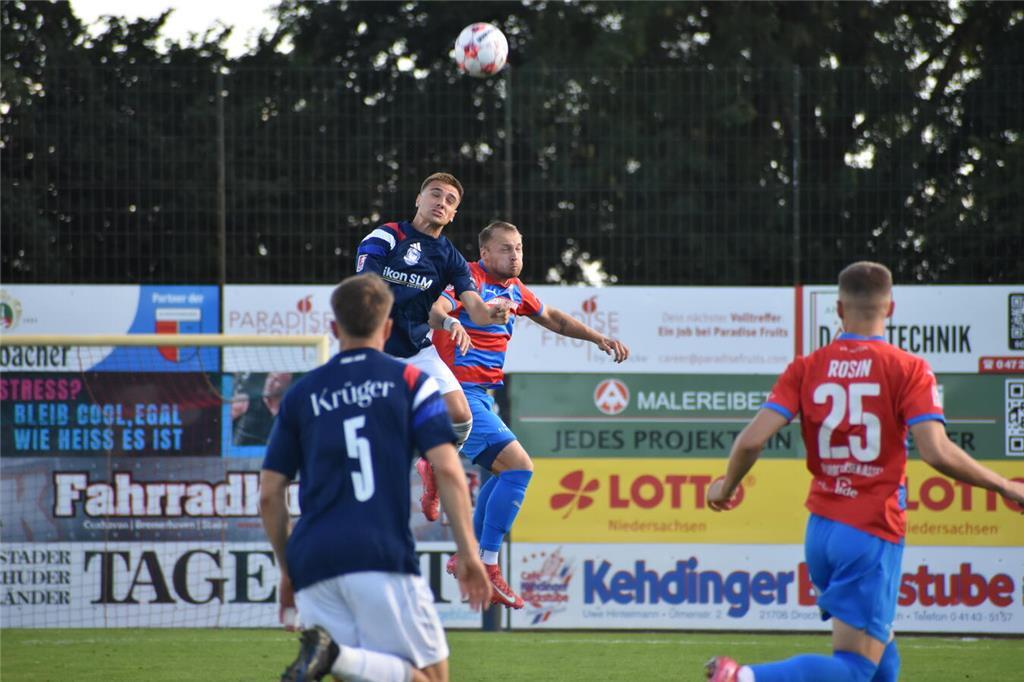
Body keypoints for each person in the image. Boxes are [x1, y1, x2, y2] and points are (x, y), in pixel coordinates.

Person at [704, 261, 1024, 682]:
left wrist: (727, 485)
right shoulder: (908, 368)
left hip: (821, 531)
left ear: (838, 310)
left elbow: (750, 441)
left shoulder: (807, 366)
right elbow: (936, 451)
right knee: (855, 668)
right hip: (871, 528)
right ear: (890, 308)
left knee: (881, 649)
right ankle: (743, 677)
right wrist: (1005, 485)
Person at [260, 274, 492, 682]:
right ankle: (336, 656)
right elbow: (450, 472)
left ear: (333, 329)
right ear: (387, 328)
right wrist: (470, 554)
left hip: (312, 559)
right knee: (432, 676)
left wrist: (287, 569)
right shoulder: (410, 382)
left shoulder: (302, 393)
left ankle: (336, 656)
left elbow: (269, 495)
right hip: (379, 555)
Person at [428, 221, 630, 608]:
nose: (515, 255)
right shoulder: (467, 277)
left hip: (480, 396)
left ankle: (469, 554)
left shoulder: (514, 291)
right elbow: (437, 308)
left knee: (508, 471)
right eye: (505, 249)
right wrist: (453, 320)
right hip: (455, 391)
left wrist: (598, 338)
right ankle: (485, 563)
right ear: (485, 253)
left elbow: (552, 316)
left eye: (519, 248)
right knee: (519, 467)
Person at [355, 172, 510, 522]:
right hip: (375, 349)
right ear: (418, 199)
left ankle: (432, 467)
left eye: (450, 200)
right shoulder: (386, 236)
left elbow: (476, 309)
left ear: (454, 214)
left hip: (418, 349)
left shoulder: (451, 258)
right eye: (435, 194)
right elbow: (365, 287)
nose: (442, 202)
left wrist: (491, 313)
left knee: (460, 417)